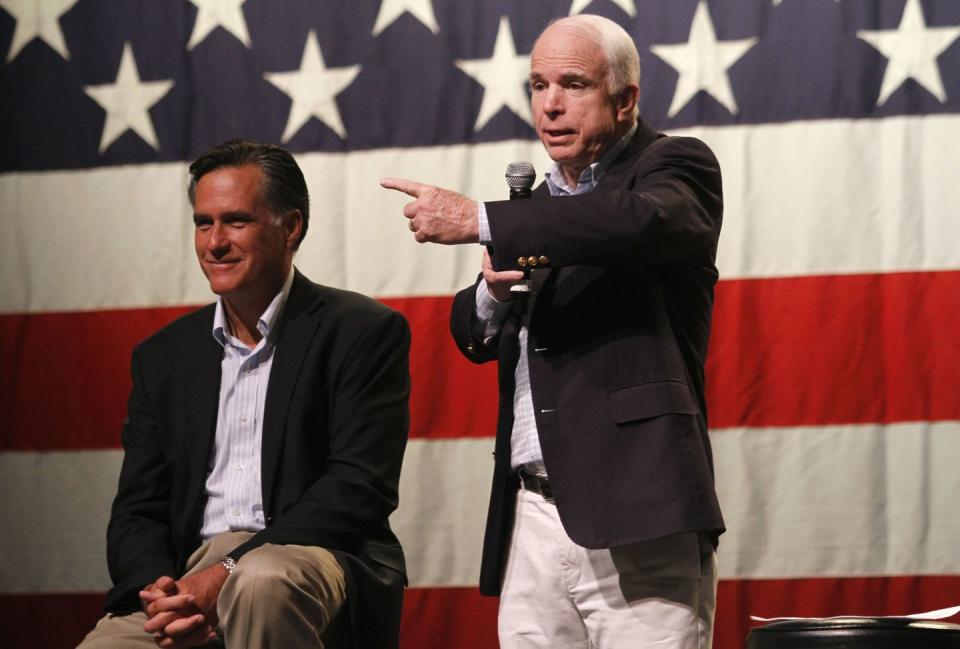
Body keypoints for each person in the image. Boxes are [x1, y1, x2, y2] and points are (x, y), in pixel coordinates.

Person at [381, 14, 724, 649]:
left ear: (625, 99)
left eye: (574, 84)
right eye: (538, 85)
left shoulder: (674, 169)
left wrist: (483, 217)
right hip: (533, 516)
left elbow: (635, 224)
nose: (551, 105)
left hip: (638, 505)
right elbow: (473, 335)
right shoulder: (537, 208)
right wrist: (490, 291)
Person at [79, 140, 410, 649]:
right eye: (202, 222)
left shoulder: (361, 332)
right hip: (189, 572)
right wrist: (161, 591)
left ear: (291, 227)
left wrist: (231, 567)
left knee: (260, 582)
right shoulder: (162, 356)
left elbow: (358, 488)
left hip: (309, 553)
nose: (214, 243)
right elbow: (139, 507)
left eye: (235, 221)